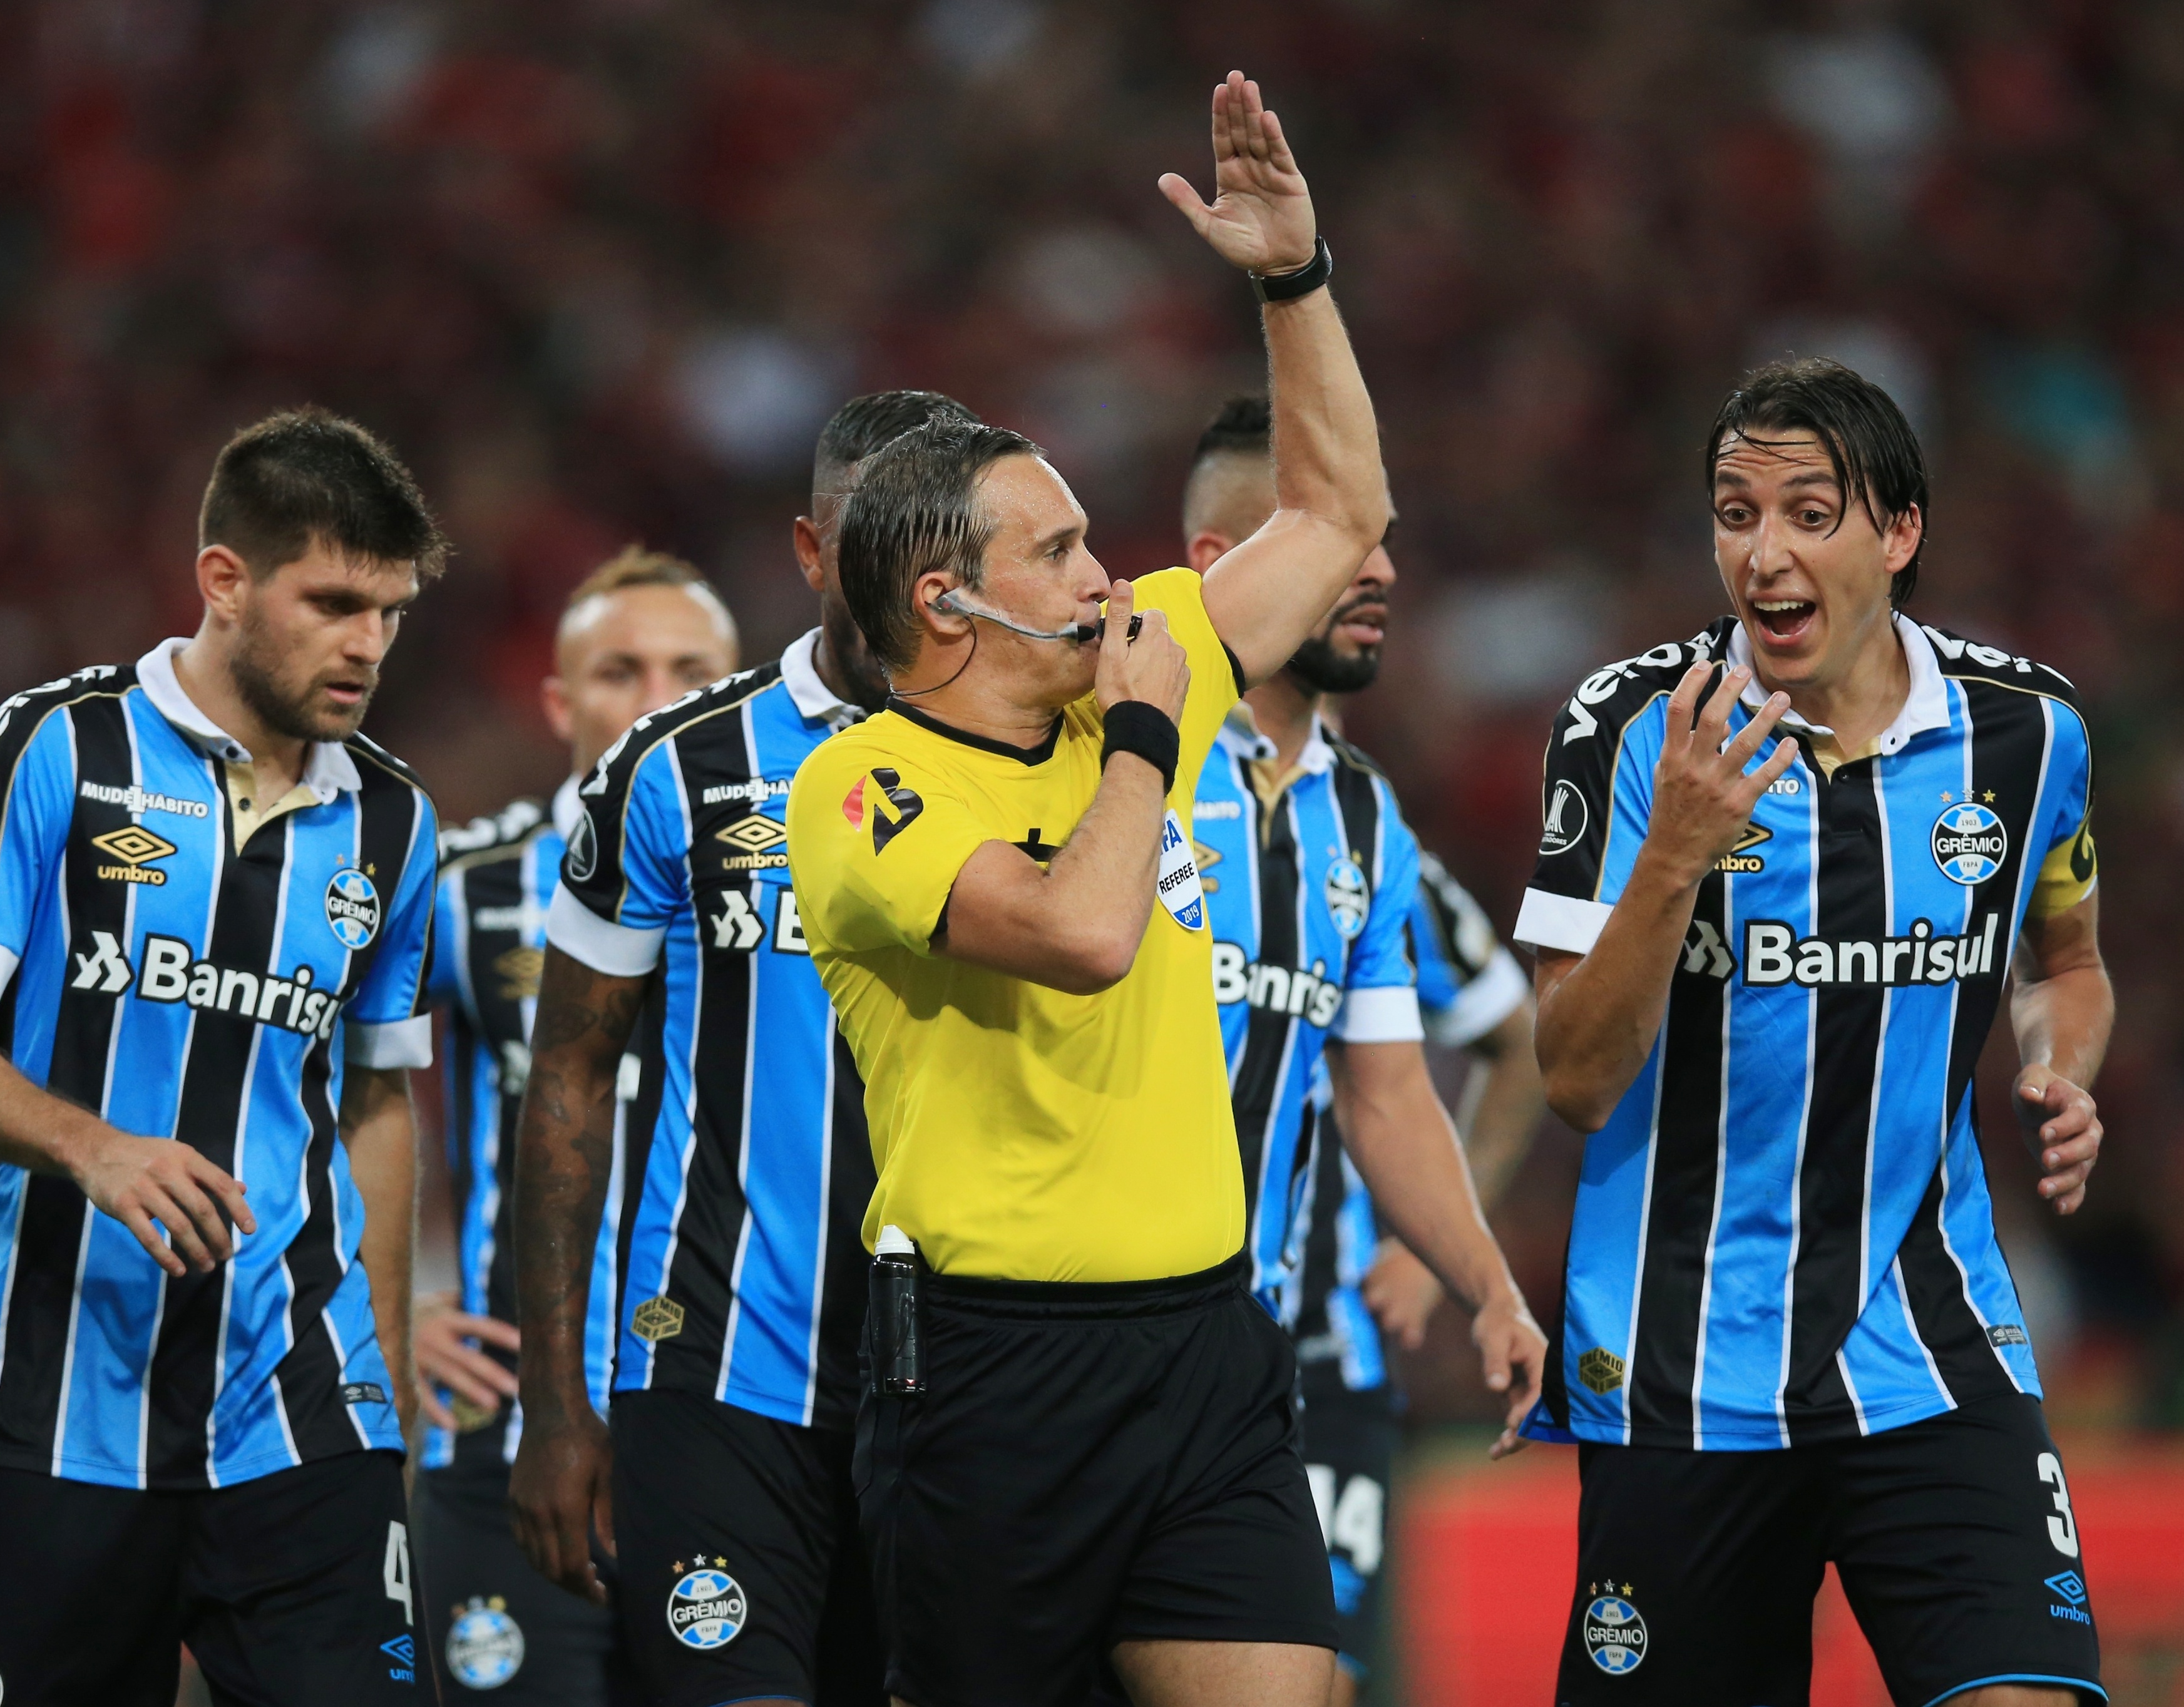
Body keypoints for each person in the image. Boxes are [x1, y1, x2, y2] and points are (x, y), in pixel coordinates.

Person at [788, 71, 1534, 1707]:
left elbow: (1340, 514)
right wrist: (1143, 733)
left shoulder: (1140, 667)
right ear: (948, 605)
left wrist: (1291, 279)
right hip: (990, 1378)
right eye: (1057, 552)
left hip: (1206, 1355)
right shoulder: (857, 791)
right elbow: (1079, 934)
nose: (1104, 574)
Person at [1517, 357, 2108, 1707]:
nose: (1763, 553)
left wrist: (2060, 1064)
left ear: (1899, 533)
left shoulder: (2026, 734)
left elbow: (2069, 962)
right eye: (1734, 513)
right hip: (1683, 1368)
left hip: (1934, 1344)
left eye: (1807, 512)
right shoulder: (1626, 730)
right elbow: (1574, 1076)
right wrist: (1674, 852)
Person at [0, 408, 448, 1702]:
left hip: (302, 1416)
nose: (367, 643)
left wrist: (375, 1371)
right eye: (332, 603)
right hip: (52, 1406)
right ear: (225, 579)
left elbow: (376, 1101)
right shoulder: (59, 749)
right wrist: (91, 1145)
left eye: (390, 609)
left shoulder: (392, 817)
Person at [510, 389, 980, 1707]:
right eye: (872, 536)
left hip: (969, 1374)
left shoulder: (1027, 768)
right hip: (715, 1353)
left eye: (934, 542)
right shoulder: (672, 770)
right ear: (811, 549)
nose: (909, 572)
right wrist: (556, 1402)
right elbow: (568, 1074)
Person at [1180, 394, 1547, 1701]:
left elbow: (1491, 1047)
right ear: (1232, 568)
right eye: (1345, 542)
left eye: (1384, 540)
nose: (1383, 571)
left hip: (1294, 1361)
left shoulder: (1367, 823)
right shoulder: (1113, 761)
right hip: (1064, 1342)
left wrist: (1452, 1256)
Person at [414, 546, 738, 1701]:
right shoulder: (465, 883)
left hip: (730, 1446)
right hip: (506, 1449)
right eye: (618, 670)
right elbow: (309, 1085)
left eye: (689, 670)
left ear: (734, 693)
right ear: (558, 702)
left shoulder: (802, 890)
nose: (655, 699)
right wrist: (399, 1303)